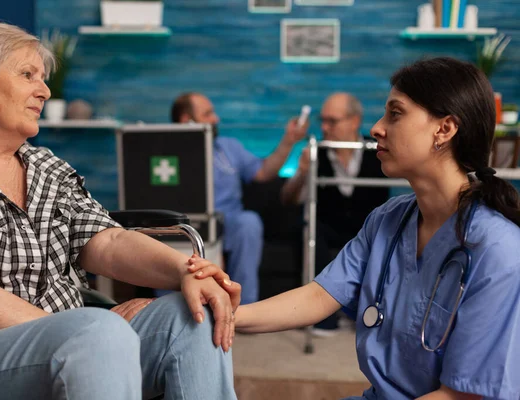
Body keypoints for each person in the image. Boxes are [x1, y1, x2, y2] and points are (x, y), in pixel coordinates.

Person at [0, 21, 241, 400]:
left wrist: (186, 272)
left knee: (192, 319)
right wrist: (81, 328)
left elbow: (109, 242)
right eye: (28, 75)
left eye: (43, 78)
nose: (44, 91)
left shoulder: (47, 168)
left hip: (87, 339)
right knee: (99, 333)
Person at [188, 57, 520, 399]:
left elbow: (461, 396)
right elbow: (319, 296)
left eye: (395, 113)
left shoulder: (498, 251)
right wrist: (221, 312)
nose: (377, 128)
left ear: (444, 129)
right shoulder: (389, 219)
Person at [171, 92, 307, 304]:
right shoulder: (166, 152)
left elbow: (263, 172)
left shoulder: (228, 147)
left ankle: (243, 306)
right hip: (187, 225)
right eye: (208, 114)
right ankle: (172, 308)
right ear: (186, 120)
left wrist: (289, 141)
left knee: (249, 221)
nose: (216, 119)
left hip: (229, 222)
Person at [281, 93, 389, 335]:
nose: (324, 127)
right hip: (327, 227)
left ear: (354, 121)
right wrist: (301, 173)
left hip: (367, 227)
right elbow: (287, 199)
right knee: (308, 226)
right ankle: (322, 316)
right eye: (323, 120)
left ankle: (372, 312)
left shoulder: (378, 151)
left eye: (332, 121)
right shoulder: (315, 153)